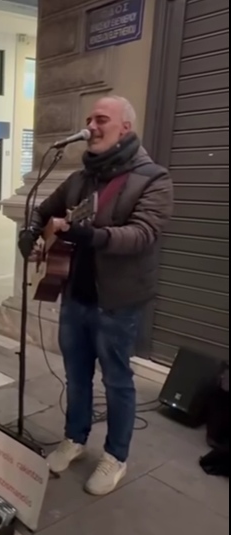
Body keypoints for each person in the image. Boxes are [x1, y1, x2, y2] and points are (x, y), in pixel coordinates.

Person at [19, 96, 173, 496]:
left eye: (101, 119)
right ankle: (74, 438)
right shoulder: (80, 178)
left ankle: (115, 457)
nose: (91, 125)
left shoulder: (154, 178)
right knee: (76, 375)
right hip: (74, 295)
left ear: (125, 128)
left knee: (118, 381)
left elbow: (142, 234)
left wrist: (89, 235)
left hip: (116, 303)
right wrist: (31, 233)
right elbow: (42, 208)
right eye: (88, 119)